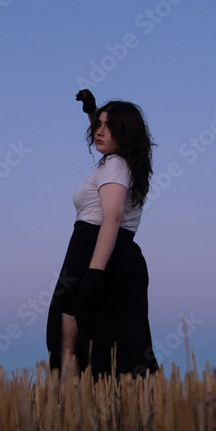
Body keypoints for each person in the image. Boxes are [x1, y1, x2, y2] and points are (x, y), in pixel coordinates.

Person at [46, 90, 160, 381]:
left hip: (98, 257)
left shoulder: (115, 165)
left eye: (108, 127)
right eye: (99, 125)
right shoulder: (123, 163)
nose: (99, 131)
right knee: (74, 342)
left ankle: (70, 416)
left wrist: (95, 272)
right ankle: (71, 415)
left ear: (125, 133)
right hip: (95, 254)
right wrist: (93, 110)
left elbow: (113, 216)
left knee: (80, 345)